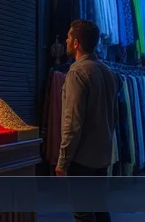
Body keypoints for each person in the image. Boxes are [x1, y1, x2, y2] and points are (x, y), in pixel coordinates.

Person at [56, 20, 118, 222]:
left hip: (82, 158)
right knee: (99, 208)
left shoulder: (76, 73)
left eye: (68, 37)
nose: (65, 40)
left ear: (76, 43)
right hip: (102, 155)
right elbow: (115, 114)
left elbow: (72, 121)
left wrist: (63, 160)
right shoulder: (107, 72)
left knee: (83, 213)